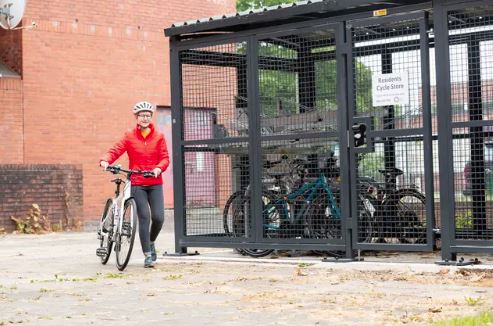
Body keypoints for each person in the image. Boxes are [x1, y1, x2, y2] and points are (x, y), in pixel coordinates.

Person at [100, 101, 169, 268]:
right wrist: (105, 160)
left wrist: (158, 169)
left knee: (159, 217)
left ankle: (151, 242)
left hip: (154, 182)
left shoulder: (159, 136)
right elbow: (116, 150)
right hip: (137, 182)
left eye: (147, 115)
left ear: (151, 117)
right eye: (141, 115)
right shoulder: (129, 136)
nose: (145, 118)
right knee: (144, 216)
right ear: (136, 118)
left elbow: (165, 158)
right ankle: (147, 255)